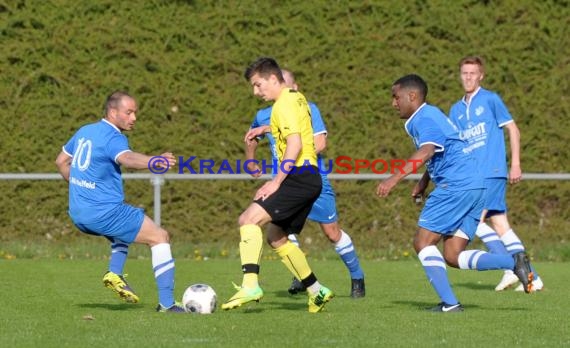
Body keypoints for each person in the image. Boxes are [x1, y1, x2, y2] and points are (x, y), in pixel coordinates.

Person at [376, 74, 533, 312]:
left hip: (456, 187)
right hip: (476, 186)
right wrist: (423, 183)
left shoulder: (424, 118)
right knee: (452, 255)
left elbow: (428, 151)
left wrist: (393, 178)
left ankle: (450, 304)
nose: (393, 103)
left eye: (396, 97)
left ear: (412, 96)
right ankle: (513, 261)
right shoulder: (433, 115)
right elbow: (442, 151)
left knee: (422, 242)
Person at [221, 57, 334, 313]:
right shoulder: (297, 98)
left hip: (296, 175)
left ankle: (250, 285)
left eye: (258, 85)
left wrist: (275, 182)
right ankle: (317, 291)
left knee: (248, 220)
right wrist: (265, 130)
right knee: (276, 238)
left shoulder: (282, 105)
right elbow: (298, 129)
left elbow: (294, 144)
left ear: (273, 79)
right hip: (309, 177)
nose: (255, 92)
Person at [55, 91, 184, 313]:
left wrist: (79, 185)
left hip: (78, 213)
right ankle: (167, 304)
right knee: (160, 237)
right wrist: (155, 161)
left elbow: (61, 161)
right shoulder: (113, 137)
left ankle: (115, 272)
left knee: (127, 223)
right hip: (104, 212)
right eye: (129, 112)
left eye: (135, 112)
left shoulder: (85, 131)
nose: (134, 118)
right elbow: (127, 158)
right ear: (113, 112)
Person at [243, 69, 365, 298]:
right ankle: (304, 280)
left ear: (294, 88)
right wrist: (250, 161)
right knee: (278, 232)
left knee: (332, 233)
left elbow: (319, 143)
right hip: (283, 182)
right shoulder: (263, 115)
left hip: (308, 178)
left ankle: (357, 276)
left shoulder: (307, 108)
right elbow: (251, 137)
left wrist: (292, 147)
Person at [448, 56, 543, 292]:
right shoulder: (456, 109)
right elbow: (455, 145)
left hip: (491, 172)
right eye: (464, 73)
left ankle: (512, 269)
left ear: (481, 76)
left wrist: (516, 163)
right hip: (472, 176)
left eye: (473, 73)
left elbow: (513, 128)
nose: (468, 77)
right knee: (500, 225)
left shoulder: (490, 99)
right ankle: (531, 278)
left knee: (473, 221)